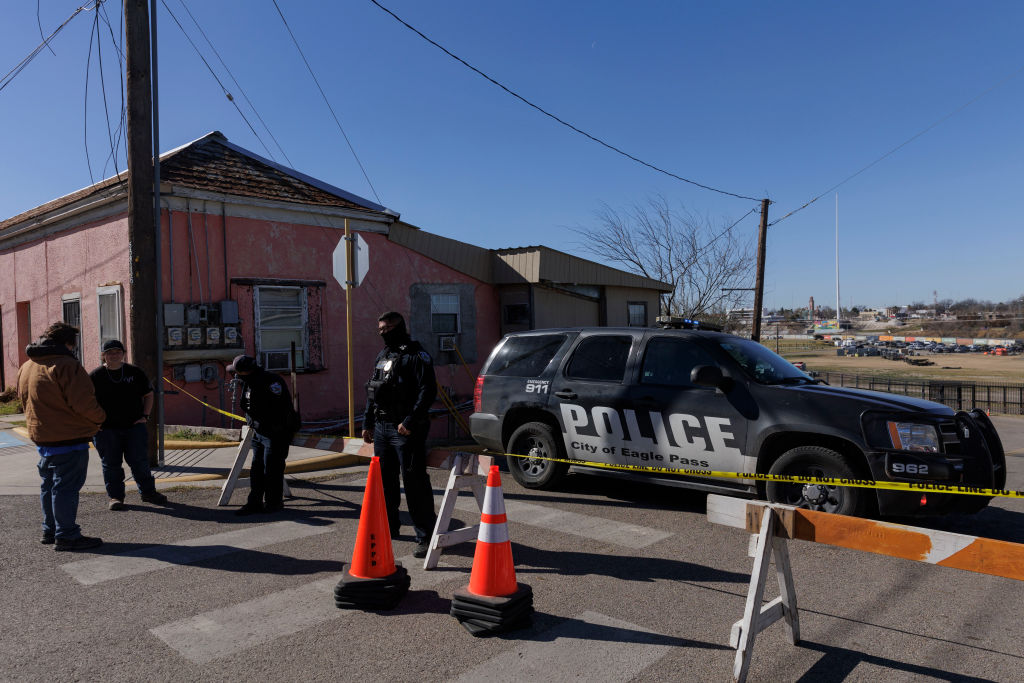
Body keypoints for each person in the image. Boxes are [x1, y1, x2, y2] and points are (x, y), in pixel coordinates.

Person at [17, 322, 105, 551]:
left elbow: (22, 399)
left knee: (48, 485)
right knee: (65, 488)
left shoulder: (28, 365)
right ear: (69, 343)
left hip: (42, 434)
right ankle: (66, 534)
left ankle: (50, 529)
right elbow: (83, 403)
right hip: (69, 435)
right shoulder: (67, 365)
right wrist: (100, 419)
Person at [361, 311, 438, 558]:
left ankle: (426, 536)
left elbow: (427, 391)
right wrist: (367, 422)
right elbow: (373, 391)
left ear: (400, 326)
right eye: (380, 329)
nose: (383, 333)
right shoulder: (383, 355)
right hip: (383, 428)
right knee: (385, 482)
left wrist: (410, 420)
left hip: (406, 429)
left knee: (414, 484)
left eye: (387, 328)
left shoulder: (417, 355)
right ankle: (390, 527)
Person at [90, 339, 168, 510]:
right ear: (104, 355)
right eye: (110, 352)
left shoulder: (135, 372)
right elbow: (86, 402)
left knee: (139, 462)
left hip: (134, 427)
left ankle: (148, 493)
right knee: (111, 465)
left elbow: (149, 394)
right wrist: (93, 423)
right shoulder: (95, 376)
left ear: (123, 353)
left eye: (118, 352)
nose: (114, 355)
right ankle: (115, 497)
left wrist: (145, 416)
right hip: (106, 430)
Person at [228, 354, 299, 515]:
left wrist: (271, 428)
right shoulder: (250, 381)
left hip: (275, 433)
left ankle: (273, 503)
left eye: (238, 372)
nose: (235, 375)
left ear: (247, 371)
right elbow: (248, 407)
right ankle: (255, 502)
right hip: (259, 432)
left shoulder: (271, 382)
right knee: (257, 469)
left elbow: (279, 410)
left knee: (272, 470)